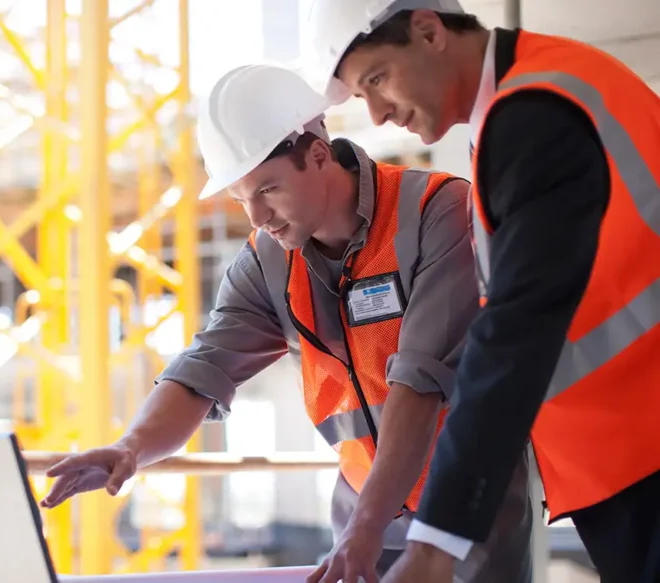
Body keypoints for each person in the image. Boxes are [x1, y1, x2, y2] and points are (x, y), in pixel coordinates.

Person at [38, 63, 532, 582]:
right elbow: (206, 366)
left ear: (318, 155)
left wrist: (364, 528)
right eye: (240, 199)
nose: (257, 216)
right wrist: (131, 447)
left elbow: (419, 383)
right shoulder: (268, 261)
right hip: (362, 515)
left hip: (462, 516)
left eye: (268, 189)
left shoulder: (435, 212)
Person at [304, 1, 660, 582]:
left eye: (376, 79)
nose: (377, 113)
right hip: (628, 447)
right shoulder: (532, 97)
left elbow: (513, 336)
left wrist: (434, 544)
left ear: (428, 30)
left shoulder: (534, 117)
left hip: (644, 447)